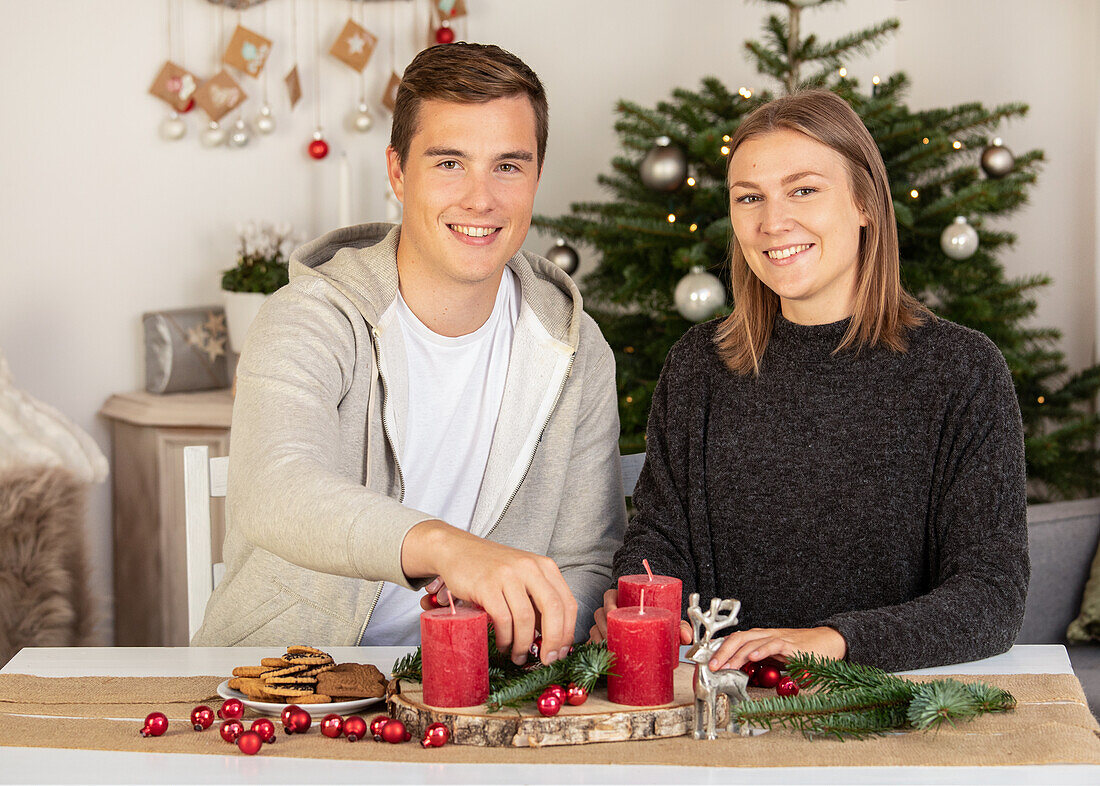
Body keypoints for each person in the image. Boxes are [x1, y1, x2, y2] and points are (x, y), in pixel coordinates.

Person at [193, 43, 627, 666]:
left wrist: (533, 632)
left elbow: (586, 558)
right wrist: (449, 549)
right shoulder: (310, 316)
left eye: (509, 166)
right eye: (450, 162)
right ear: (397, 173)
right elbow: (273, 485)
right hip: (286, 680)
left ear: (536, 176)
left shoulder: (574, 347)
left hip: (478, 694)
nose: (481, 199)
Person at [591, 90, 1029, 673]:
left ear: (866, 202)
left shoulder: (963, 371)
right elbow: (658, 542)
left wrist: (833, 641)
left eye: (804, 189)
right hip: (726, 707)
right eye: (750, 197)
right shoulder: (699, 366)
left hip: (896, 712)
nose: (774, 222)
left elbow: (991, 595)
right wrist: (643, 602)